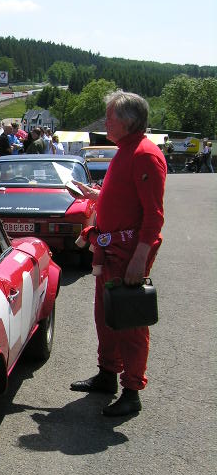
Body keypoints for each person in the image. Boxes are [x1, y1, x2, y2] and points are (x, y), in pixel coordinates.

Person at [69, 91, 166, 418]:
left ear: (127, 122)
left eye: (110, 116)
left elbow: (154, 216)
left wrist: (140, 258)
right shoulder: (127, 150)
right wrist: (96, 194)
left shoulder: (143, 155)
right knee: (107, 316)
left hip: (127, 253)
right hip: (111, 252)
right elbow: (125, 198)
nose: (105, 121)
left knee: (130, 322)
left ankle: (132, 391)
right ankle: (108, 375)